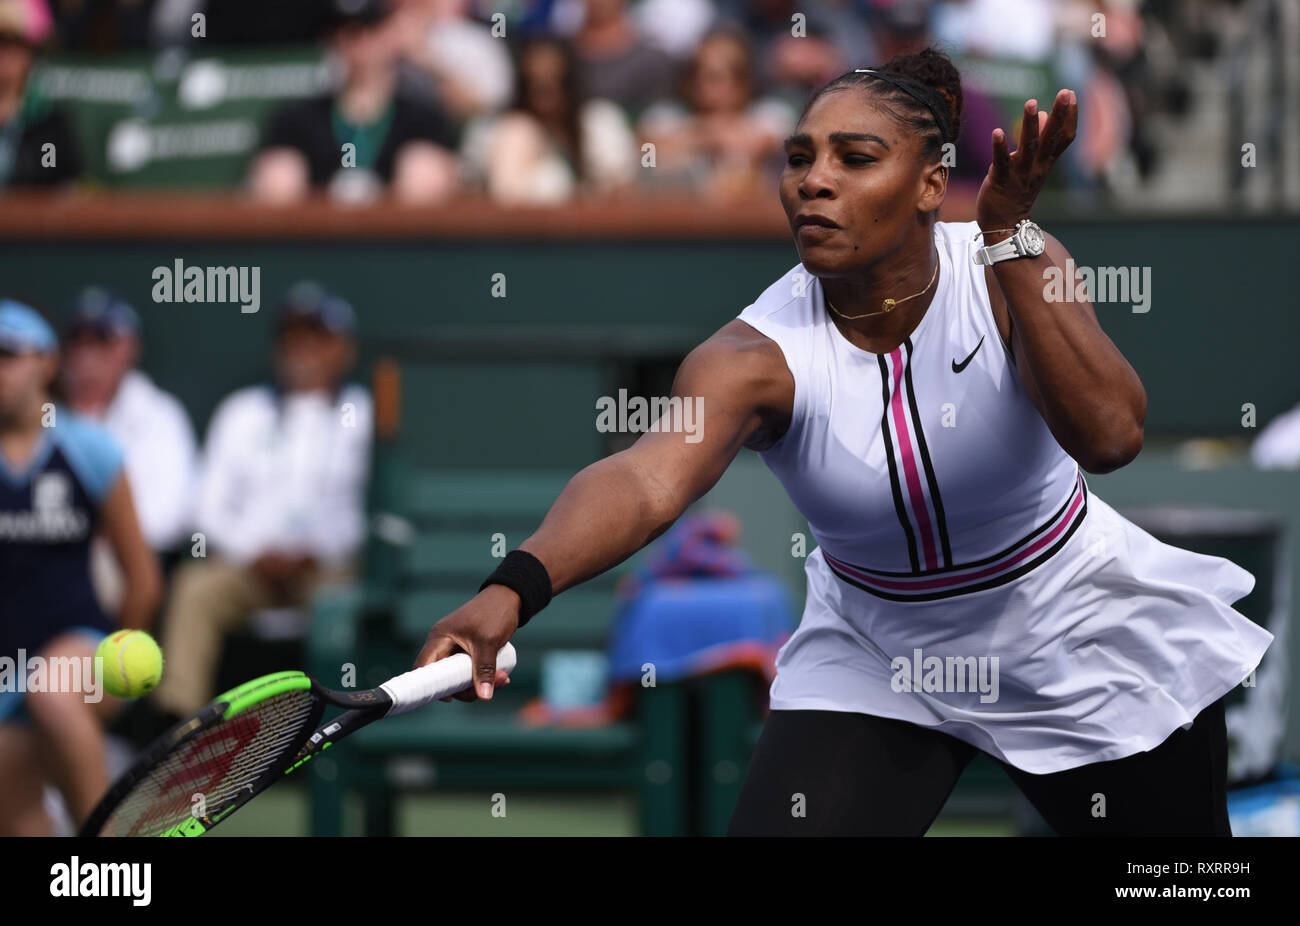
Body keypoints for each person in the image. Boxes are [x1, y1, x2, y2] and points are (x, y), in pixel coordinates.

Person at [414, 47, 1273, 836]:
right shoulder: (751, 357)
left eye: (855, 159)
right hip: (877, 648)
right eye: (799, 158)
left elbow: (1113, 435)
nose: (813, 182)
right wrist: (512, 588)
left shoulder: (1014, 262)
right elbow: (645, 480)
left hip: (1071, 622)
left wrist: (1011, 237)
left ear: (933, 184)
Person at [148, 282, 372, 724]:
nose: (302, 347)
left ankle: (347, 732)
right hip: (248, 569)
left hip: (331, 572)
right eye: (292, 336)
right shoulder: (241, 411)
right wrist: (257, 555)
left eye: (317, 335)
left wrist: (317, 553)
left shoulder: (363, 414)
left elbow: (370, 510)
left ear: (344, 349)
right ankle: (176, 732)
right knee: (195, 589)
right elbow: (208, 508)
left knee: (345, 601)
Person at [0, 300, 161, 835]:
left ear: (45, 363)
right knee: (18, 816)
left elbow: (141, 577)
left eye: (8, 355)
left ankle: (106, 845)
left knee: (51, 685)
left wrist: (116, 658)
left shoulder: (90, 449)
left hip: (83, 651)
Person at [247, 0, 459, 204]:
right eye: (341, 32)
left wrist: (424, 55)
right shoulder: (298, 117)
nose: (353, 42)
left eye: (367, 29)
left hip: (399, 233)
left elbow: (477, 105)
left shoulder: (422, 116)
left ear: (390, 32)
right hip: (315, 231)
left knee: (423, 170)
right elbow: (274, 182)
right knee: (279, 174)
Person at [59, 287, 198, 559]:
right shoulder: (43, 414)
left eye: (101, 340)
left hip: (127, 558)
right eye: (77, 340)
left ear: (129, 348)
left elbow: (171, 517)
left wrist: (104, 534)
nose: (86, 355)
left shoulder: (160, 415)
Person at [461, 34, 637, 204]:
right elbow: (470, 191)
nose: (546, 95)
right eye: (536, 84)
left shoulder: (599, 122)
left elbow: (620, 189)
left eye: (553, 82)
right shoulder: (494, 129)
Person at [637, 28, 796, 202]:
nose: (703, 84)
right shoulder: (665, 115)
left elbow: (757, 143)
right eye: (697, 74)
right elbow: (649, 150)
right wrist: (710, 134)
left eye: (716, 76)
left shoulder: (771, 114)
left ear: (744, 81)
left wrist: (692, 139)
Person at [0, 0, 83, 189]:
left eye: (11, 46)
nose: (3, 57)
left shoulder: (48, 125)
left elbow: (52, 175)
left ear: (28, 54)